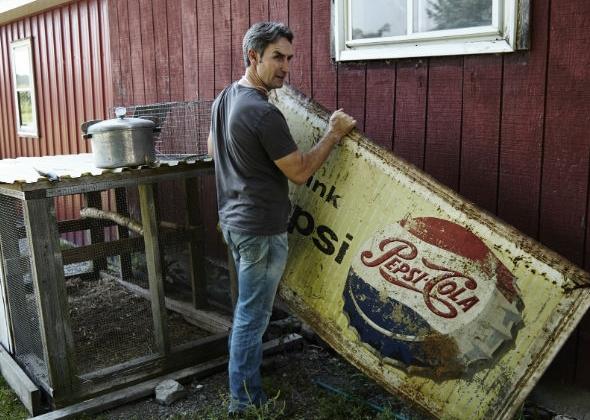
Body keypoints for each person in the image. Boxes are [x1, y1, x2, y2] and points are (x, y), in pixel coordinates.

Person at [207, 21, 356, 415]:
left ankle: (243, 388)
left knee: (247, 310)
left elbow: (212, 149)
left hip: (234, 222)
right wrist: (333, 133)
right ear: (253, 56)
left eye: (289, 58)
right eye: (277, 57)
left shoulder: (224, 98)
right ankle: (245, 402)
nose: (285, 67)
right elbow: (300, 171)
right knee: (252, 317)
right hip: (259, 229)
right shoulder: (262, 113)